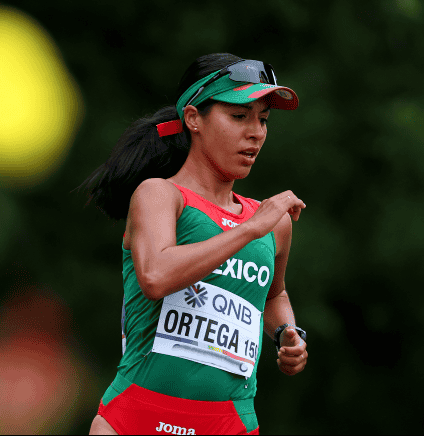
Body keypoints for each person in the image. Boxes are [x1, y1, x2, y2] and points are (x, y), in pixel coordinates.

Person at [77, 53, 308, 435]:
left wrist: (288, 333)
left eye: (263, 120)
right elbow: (155, 275)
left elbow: (273, 295)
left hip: (231, 425)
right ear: (193, 118)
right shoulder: (159, 196)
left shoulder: (274, 223)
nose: (255, 132)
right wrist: (250, 229)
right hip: (137, 418)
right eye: (239, 116)